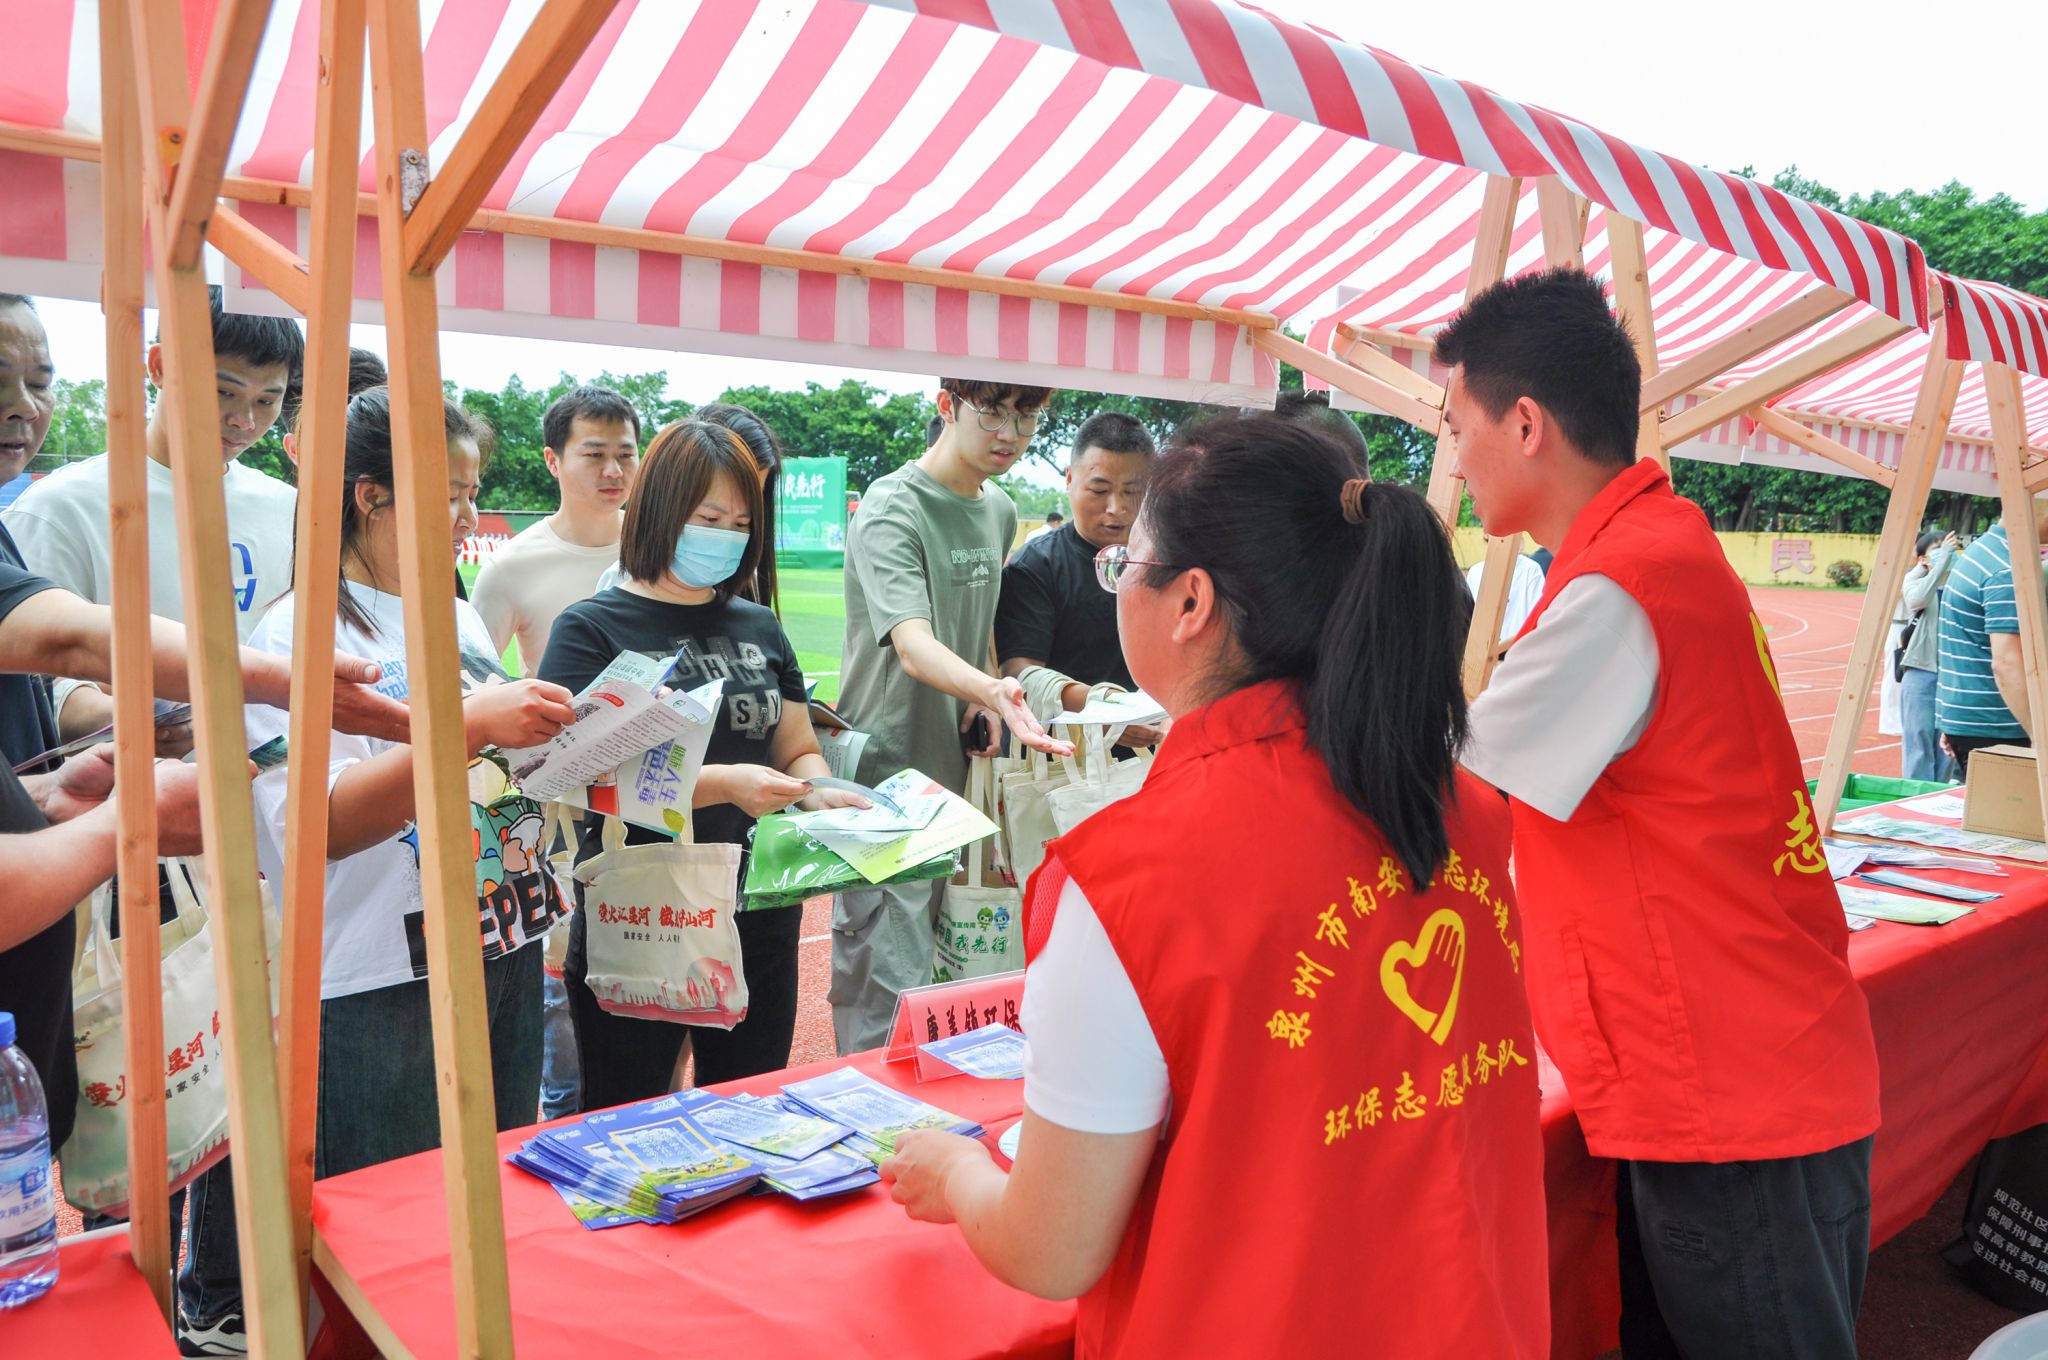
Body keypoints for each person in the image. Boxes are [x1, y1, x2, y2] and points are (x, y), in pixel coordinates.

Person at [881, 418, 1548, 1356]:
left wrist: (954, 1175)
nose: (1117, 579)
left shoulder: (1134, 874)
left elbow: (1052, 1247)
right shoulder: (1462, 806)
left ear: (1190, 600)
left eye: (1127, 563)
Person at [1445, 267, 1880, 1359]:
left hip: (1730, 1087)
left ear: (1525, 424)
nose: (1453, 461)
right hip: (1741, 1061)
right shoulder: (1655, 551)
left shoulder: (1614, 592)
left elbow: (1457, 791)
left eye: (1456, 429)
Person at [242, 387, 573, 1190]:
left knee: (490, 1198)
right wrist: (472, 725)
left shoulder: (453, 615)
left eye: (471, 493)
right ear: (370, 497)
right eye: (449, 495)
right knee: (394, 1215)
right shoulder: (297, 633)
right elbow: (318, 824)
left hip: (502, 942)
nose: (468, 518)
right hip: (381, 981)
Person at [539, 420, 863, 1108]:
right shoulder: (591, 629)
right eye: (710, 519)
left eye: (742, 524)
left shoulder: (759, 626)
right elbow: (572, 777)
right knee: (629, 1118)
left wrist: (817, 790)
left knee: (748, 1107)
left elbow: (794, 745)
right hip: (641, 912)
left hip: (757, 910)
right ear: (662, 510)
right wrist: (724, 786)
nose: (727, 537)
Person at [832, 377, 1072, 1055]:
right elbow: (913, 645)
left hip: (960, 776)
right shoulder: (891, 509)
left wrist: (980, 693)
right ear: (947, 407)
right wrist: (995, 691)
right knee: (888, 980)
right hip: (889, 777)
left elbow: (979, 629)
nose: (1010, 435)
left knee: (955, 970)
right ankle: (867, 1109)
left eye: (1026, 417)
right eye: (991, 412)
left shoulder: (999, 508)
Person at [5, 288, 304, 750]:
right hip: (127, 784)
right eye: (223, 391)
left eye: (267, 400)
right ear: (160, 366)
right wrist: (124, 723)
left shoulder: (290, 509)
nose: (244, 421)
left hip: (270, 785)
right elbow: (35, 690)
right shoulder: (59, 509)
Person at [473, 386, 642, 677]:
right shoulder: (510, 567)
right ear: (553, 461)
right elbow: (473, 679)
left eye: (626, 455)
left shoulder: (666, 549)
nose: (614, 471)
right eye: (595, 454)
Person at [996, 413, 1153, 720]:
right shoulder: (1036, 566)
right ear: (1069, 479)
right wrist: (1105, 708)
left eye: (1132, 491)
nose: (1116, 508)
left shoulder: (1166, 560)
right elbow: (1018, 672)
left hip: (1156, 738)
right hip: (1063, 743)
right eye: (1099, 491)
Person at [1937, 510, 2048, 774]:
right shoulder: (2006, 569)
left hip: (1975, 717)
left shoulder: (1983, 552)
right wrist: (2041, 735)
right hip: (1999, 724)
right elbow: (2007, 663)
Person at [1898, 530, 1960, 782]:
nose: (1946, 552)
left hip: (1953, 673)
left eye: (1950, 547)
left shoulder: (1960, 583)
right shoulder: (1914, 581)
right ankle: (1916, 792)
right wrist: (1941, 560)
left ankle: (1940, 792)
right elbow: (1918, 599)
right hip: (1921, 671)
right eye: (1938, 548)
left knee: (1948, 743)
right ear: (1923, 558)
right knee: (1918, 738)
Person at [1464, 550, 1547, 642]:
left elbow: (1538, 618)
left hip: (1519, 645)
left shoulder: (1531, 569)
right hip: (1483, 647)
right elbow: (1469, 621)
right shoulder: (1475, 572)